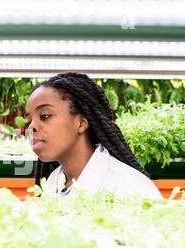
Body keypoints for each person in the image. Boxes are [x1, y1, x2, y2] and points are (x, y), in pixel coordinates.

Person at [26, 72, 162, 199]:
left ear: (81, 123)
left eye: (45, 116)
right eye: (28, 121)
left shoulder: (130, 187)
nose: (31, 127)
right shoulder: (52, 181)